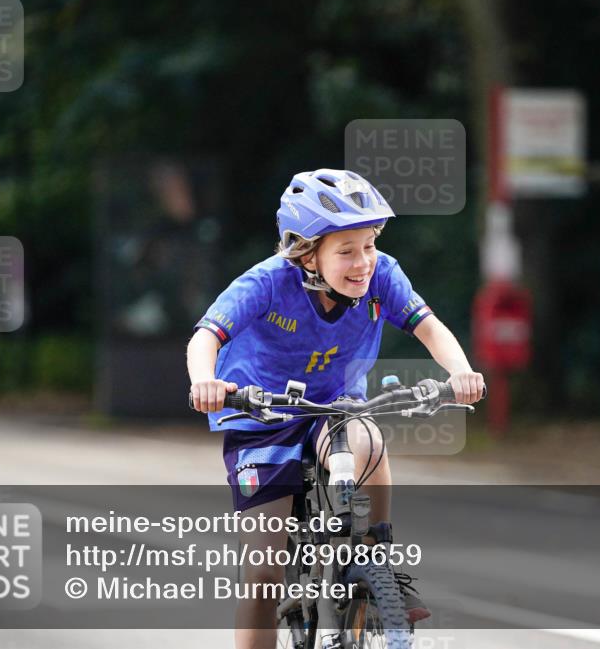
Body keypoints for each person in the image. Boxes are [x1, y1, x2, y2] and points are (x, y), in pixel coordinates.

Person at [187, 168, 485, 649]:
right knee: (264, 571)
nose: (363, 261)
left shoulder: (382, 274)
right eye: (345, 251)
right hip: (262, 416)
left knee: (366, 438)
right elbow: (206, 336)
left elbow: (429, 326)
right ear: (306, 253)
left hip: (334, 407)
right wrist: (205, 381)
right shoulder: (265, 282)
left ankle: (378, 560)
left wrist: (461, 371)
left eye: (368, 245)